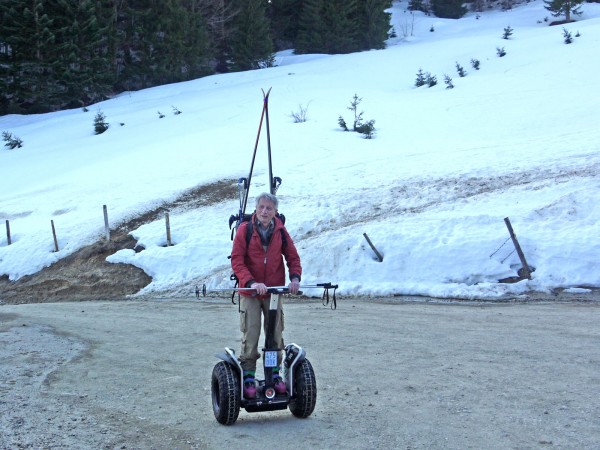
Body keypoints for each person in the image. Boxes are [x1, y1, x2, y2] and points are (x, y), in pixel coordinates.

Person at [230, 192, 302, 399]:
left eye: (269, 208)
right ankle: (249, 375)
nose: (264, 211)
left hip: (273, 292)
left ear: (275, 211)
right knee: (251, 334)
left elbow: (292, 257)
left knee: (274, 334)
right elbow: (237, 261)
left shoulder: (280, 231)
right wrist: (252, 282)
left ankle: (274, 374)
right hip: (251, 292)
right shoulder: (245, 230)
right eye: (261, 207)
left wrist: (295, 278)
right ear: (256, 208)